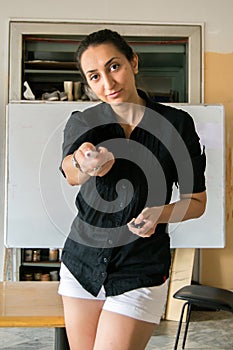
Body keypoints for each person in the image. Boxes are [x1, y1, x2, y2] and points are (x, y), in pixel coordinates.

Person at [58, 29, 207, 350]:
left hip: (139, 268)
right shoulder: (84, 122)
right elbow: (70, 172)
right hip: (80, 263)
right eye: (95, 76)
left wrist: (160, 213)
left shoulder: (177, 125)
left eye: (114, 67)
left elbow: (196, 202)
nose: (108, 84)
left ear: (133, 62)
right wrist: (85, 163)